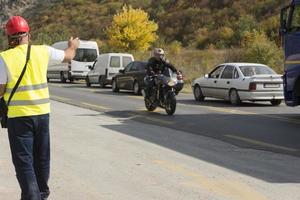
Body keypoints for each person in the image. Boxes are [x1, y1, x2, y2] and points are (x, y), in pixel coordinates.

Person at [0, 16, 79, 200]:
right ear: (29, 34)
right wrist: (73, 45)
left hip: (19, 118)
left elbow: (0, 91)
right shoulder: (43, 51)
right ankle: (42, 194)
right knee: (42, 158)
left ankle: (32, 196)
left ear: (9, 37)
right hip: (42, 115)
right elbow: (68, 55)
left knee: (24, 161)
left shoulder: (4, 58)